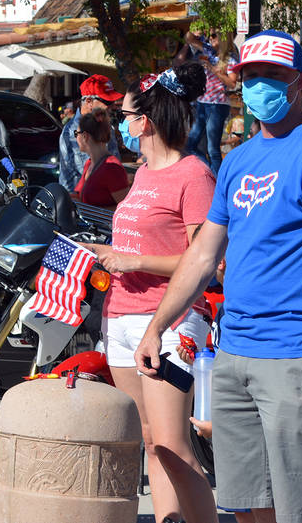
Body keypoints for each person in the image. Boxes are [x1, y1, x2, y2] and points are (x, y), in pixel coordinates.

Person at [131, 29, 302, 523]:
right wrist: (157, 326)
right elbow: (201, 255)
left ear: (297, 82)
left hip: (294, 357)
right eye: (250, 76)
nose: (259, 86)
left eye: (271, 76)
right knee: (248, 504)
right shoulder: (236, 162)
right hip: (236, 353)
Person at [87, 62, 217, 523]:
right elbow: (136, 243)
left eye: (125, 114)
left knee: (172, 445)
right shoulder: (141, 174)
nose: (119, 123)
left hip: (167, 319)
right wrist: (106, 252)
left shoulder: (193, 174)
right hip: (121, 317)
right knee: (150, 441)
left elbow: (207, 259)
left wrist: (135, 261)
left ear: (148, 120)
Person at [187, 29, 238, 175]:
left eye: (214, 35)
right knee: (191, 143)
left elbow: (232, 83)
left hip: (217, 104)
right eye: (209, 35)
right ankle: (208, 172)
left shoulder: (231, 58)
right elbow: (189, 39)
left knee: (213, 149)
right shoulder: (208, 51)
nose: (210, 38)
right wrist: (195, 29)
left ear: (223, 37)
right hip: (203, 102)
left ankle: (217, 181)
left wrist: (213, 69)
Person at [59, 74, 122, 191]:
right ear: (89, 102)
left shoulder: (104, 124)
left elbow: (114, 163)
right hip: (80, 204)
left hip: (101, 196)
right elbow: (91, 172)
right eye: (107, 102)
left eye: (113, 101)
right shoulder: (73, 131)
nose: (113, 106)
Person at [71, 110, 130, 209]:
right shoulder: (89, 164)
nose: (76, 138)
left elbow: (126, 209)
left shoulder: (111, 168)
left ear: (85, 136)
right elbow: (82, 198)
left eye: (76, 134)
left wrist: (92, 211)